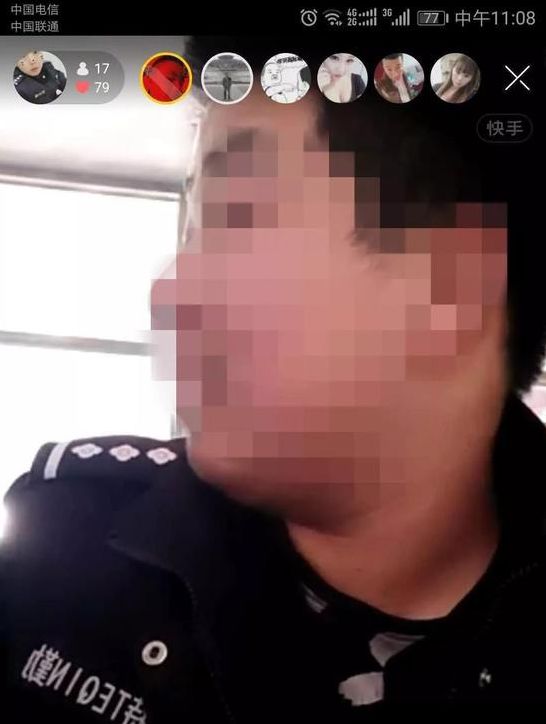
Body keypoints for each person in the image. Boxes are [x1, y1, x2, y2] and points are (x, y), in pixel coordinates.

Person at [1, 34, 546, 720]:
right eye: (193, 229)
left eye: (236, 218)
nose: (167, 294)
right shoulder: (58, 557)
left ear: (450, 291)